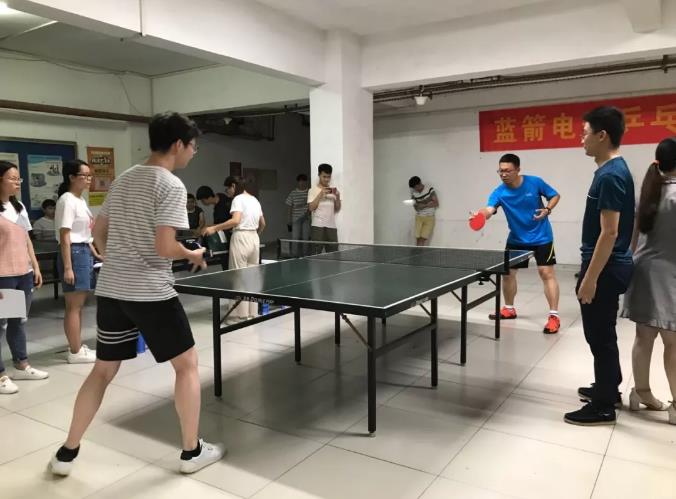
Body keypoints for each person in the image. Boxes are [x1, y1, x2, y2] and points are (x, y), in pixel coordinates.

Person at [50, 112, 224, 476]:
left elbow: (99, 233)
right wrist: (192, 254)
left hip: (113, 290)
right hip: (151, 293)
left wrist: (118, 259)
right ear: (178, 144)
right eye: (193, 146)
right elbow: (165, 247)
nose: (193, 153)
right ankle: (191, 452)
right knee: (187, 366)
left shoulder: (125, 178)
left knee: (102, 371)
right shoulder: (171, 185)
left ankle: (66, 453)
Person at [565, 106, 635, 426]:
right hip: (608, 264)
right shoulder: (612, 170)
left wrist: (590, 278)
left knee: (599, 336)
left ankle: (604, 405)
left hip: (605, 268)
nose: (581, 139)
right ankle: (608, 388)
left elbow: (610, 232)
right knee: (603, 333)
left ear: (602, 135)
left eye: (585, 133)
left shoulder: (610, 175)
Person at [472, 153, 562, 334]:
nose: (503, 174)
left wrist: (547, 209)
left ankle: (554, 316)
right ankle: (509, 309)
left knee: (546, 273)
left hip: (542, 236)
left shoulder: (535, 182)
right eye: (500, 171)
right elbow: (489, 209)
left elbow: (555, 195)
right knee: (508, 274)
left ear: (518, 169)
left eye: (507, 170)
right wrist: (480, 215)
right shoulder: (499, 192)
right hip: (516, 239)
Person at [620, 137, 676, 423]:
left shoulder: (647, 191)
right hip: (669, 276)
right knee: (673, 343)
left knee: (643, 338)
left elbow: (633, 241)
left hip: (642, 271)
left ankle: (640, 393)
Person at [0, 161, 48, 395]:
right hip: (4, 275)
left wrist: (35, 266)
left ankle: (21, 365)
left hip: (23, 273)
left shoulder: (18, 207)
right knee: (1, 324)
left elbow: (26, 239)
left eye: (18, 178)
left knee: (18, 321)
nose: (18, 182)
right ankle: (0, 375)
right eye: (12, 178)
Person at [55, 159, 101, 364]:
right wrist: (68, 267)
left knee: (79, 305)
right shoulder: (67, 200)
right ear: (72, 177)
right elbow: (65, 235)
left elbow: (84, 234)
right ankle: (75, 352)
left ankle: (76, 346)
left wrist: (96, 254)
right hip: (73, 253)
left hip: (82, 251)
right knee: (74, 306)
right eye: (84, 175)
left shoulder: (80, 199)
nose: (89, 179)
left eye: (90, 175)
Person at [203, 178, 265, 321]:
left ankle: (240, 314)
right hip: (254, 238)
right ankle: (252, 313)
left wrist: (214, 228)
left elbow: (235, 220)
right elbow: (263, 223)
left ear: (234, 186)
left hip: (241, 237)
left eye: (228, 189)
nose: (228, 192)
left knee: (238, 277)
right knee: (251, 278)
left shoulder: (238, 199)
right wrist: (255, 234)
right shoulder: (255, 200)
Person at [196, 176, 237, 269]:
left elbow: (227, 223)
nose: (203, 203)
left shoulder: (225, 204)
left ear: (208, 198)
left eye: (202, 200)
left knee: (228, 263)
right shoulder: (220, 198)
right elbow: (219, 223)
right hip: (224, 236)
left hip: (230, 238)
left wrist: (209, 227)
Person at [308, 163, 341, 251]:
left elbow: (337, 208)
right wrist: (320, 194)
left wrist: (338, 196)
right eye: (324, 176)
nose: (326, 179)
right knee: (316, 253)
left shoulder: (332, 191)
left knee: (333, 253)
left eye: (328, 177)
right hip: (317, 226)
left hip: (331, 226)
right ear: (319, 175)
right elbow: (311, 208)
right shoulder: (312, 190)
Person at [408, 176, 439, 246]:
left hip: (429, 218)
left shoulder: (429, 189)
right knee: (418, 239)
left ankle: (418, 252)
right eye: (414, 188)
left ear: (420, 183)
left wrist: (424, 205)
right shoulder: (414, 193)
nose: (415, 189)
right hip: (419, 217)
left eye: (416, 187)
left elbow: (436, 203)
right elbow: (416, 207)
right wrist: (426, 204)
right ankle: (418, 252)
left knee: (422, 239)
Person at [285, 173, 310, 255]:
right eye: (300, 181)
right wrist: (289, 219)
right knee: (295, 238)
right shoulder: (293, 193)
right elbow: (289, 206)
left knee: (306, 238)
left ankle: (305, 255)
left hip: (306, 218)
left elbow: (312, 205)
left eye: (303, 181)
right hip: (296, 218)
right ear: (298, 182)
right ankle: (294, 255)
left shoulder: (309, 192)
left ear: (306, 182)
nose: (302, 183)